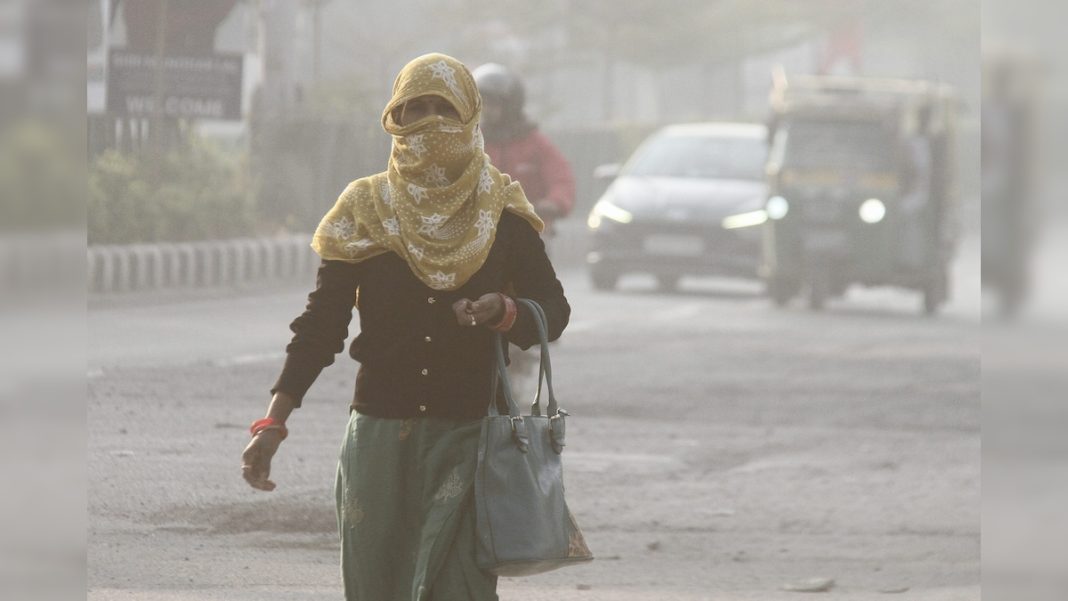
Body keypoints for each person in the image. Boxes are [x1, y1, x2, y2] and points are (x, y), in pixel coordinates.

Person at [240, 53, 570, 601]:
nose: (430, 122)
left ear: (470, 116)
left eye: (444, 108)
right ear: (394, 116)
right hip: (377, 441)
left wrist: (502, 310)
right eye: (415, 109)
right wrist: (272, 423)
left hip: (470, 436)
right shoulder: (364, 208)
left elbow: (552, 313)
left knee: (457, 589)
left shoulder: (502, 211)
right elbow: (321, 326)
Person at [472, 63, 576, 239]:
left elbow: (561, 178)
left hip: (529, 230)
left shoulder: (534, 142)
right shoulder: (474, 142)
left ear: (510, 105)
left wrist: (553, 203)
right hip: (482, 231)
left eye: (493, 104)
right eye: (484, 104)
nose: (487, 110)